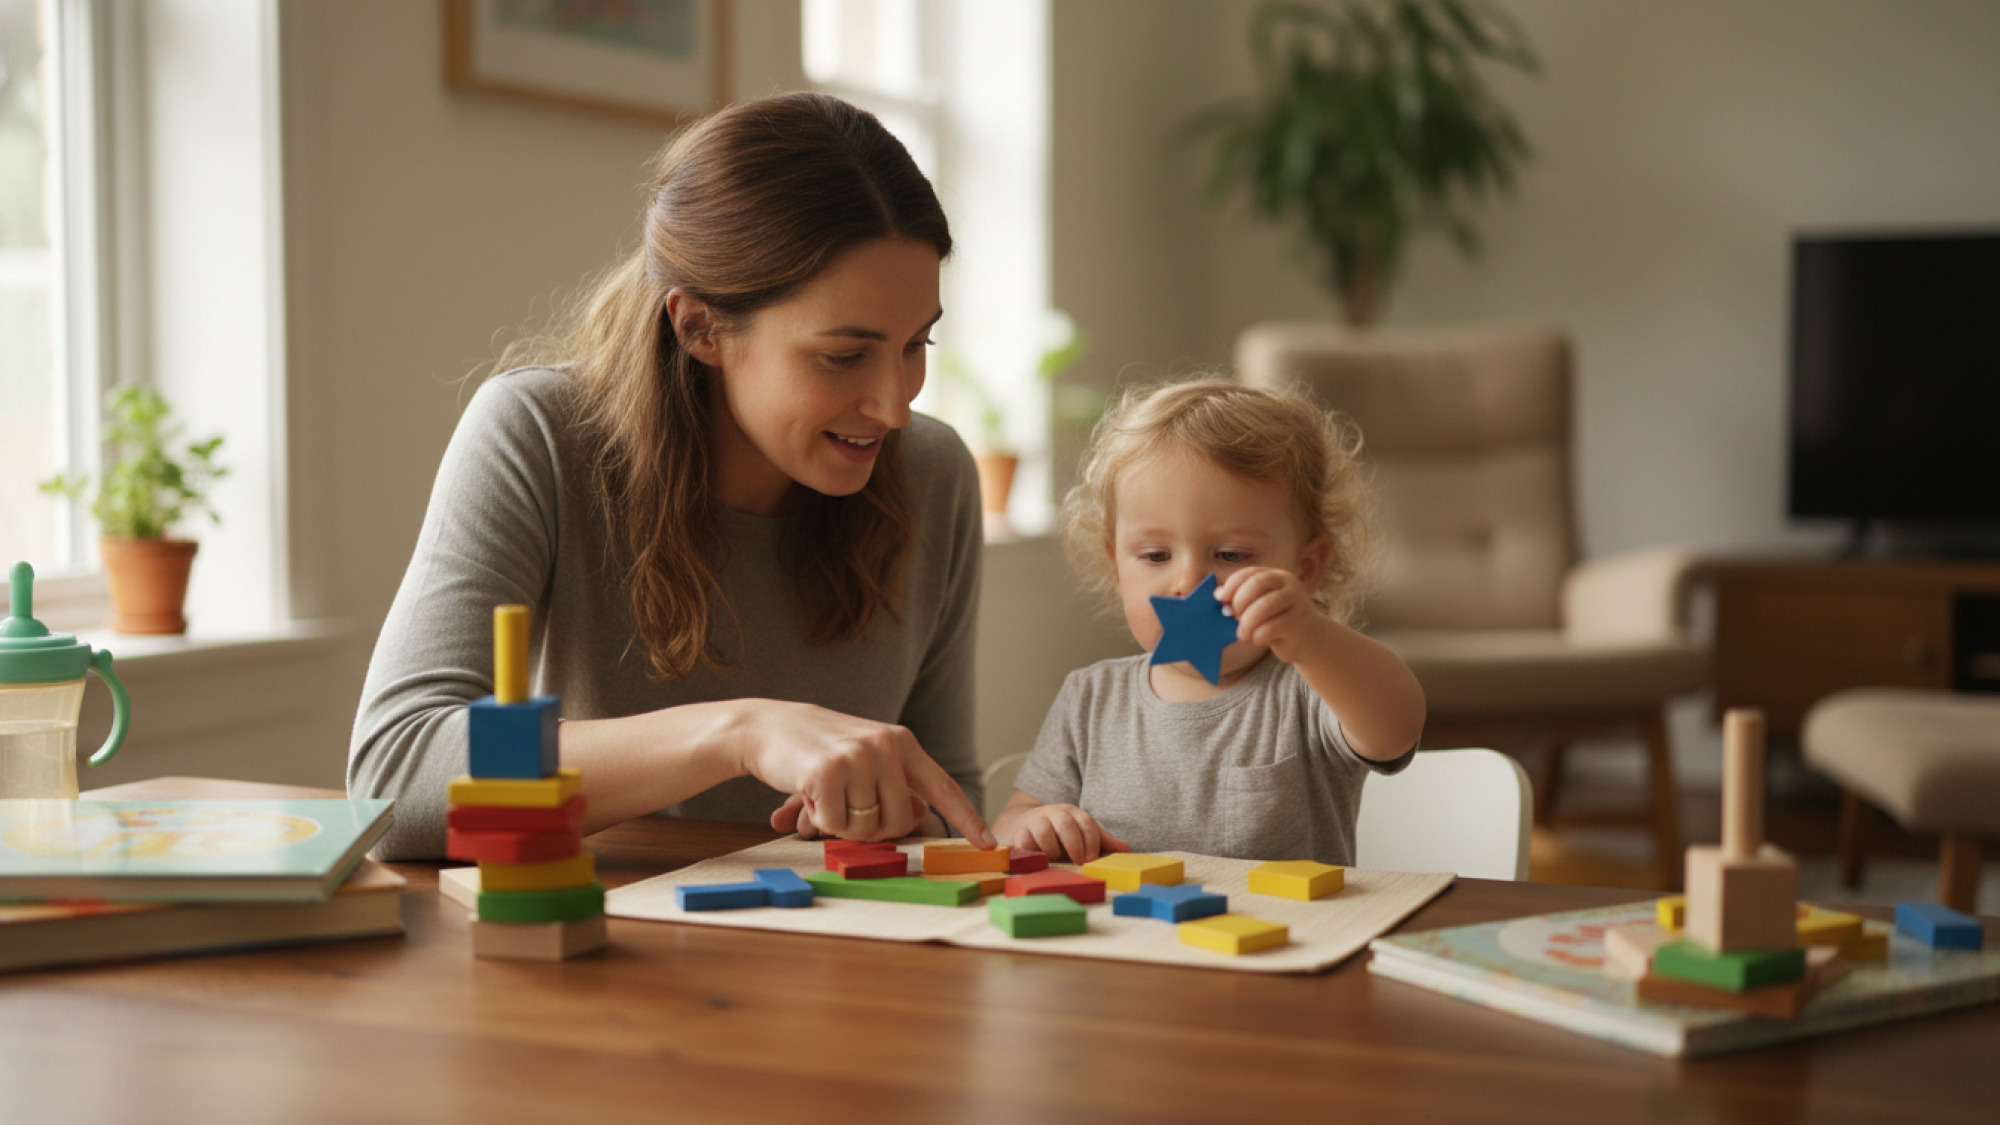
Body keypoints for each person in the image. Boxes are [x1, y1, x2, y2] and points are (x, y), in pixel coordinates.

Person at [350, 92, 995, 860]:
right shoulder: (538, 433)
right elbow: (394, 777)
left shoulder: (935, 472)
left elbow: (951, 797)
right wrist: (741, 732)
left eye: (917, 344)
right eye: (844, 355)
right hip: (596, 953)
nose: (894, 407)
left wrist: (908, 815)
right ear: (699, 327)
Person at [992, 378, 1426, 865]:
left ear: (1305, 569)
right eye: (1156, 555)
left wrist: (1315, 639)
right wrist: (1034, 825)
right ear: (1116, 565)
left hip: (1284, 938)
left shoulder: (1310, 686)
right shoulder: (1089, 699)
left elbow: (1397, 727)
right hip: (1126, 938)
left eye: (1231, 554)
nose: (1189, 582)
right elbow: (1013, 819)